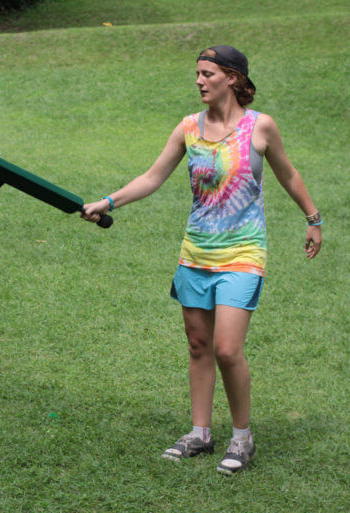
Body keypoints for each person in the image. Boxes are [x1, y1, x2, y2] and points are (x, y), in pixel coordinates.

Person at [81, 46, 322, 475]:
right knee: (198, 347)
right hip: (195, 253)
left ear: (232, 78)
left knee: (228, 349)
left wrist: (313, 218)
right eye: (197, 73)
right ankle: (200, 433)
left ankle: (242, 438)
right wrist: (109, 201)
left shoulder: (259, 126)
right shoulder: (189, 128)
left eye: (207, 73)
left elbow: (288, 174)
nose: (198, 81)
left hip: (244, 253)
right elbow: (153, 176)